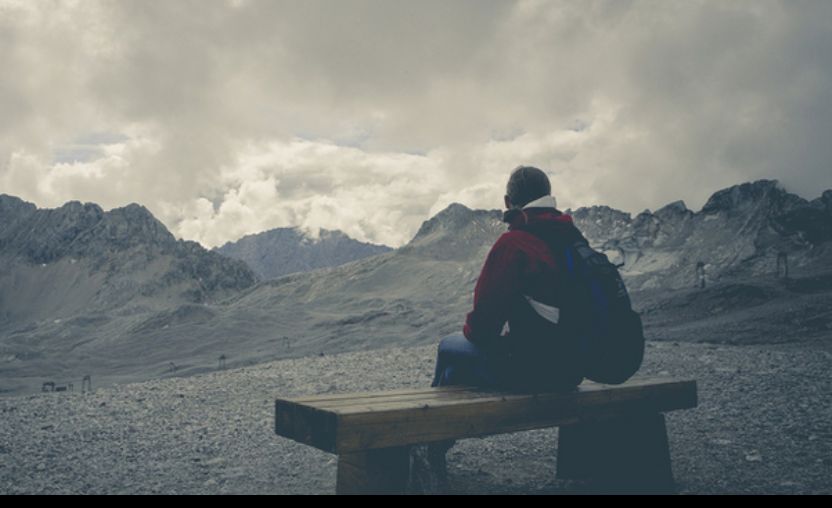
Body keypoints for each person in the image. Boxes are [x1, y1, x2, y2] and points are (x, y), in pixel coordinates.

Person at [431, 165, 586, 392]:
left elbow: (482, 329)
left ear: (507, 201)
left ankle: (434, 419)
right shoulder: (572, 237)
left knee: (448, 346)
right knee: (454, 373)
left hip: (533, 369)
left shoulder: (514, 244)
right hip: (573, 369)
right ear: (548, 196)